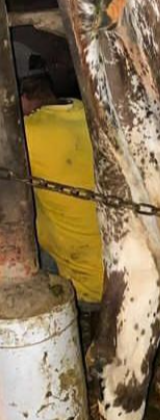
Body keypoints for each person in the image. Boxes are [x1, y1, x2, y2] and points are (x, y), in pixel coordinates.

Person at [21, 73, 104, 306]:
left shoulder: (28, 133)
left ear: (23, 99)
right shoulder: (83, 111)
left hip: (80, 285)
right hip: (123, 269)